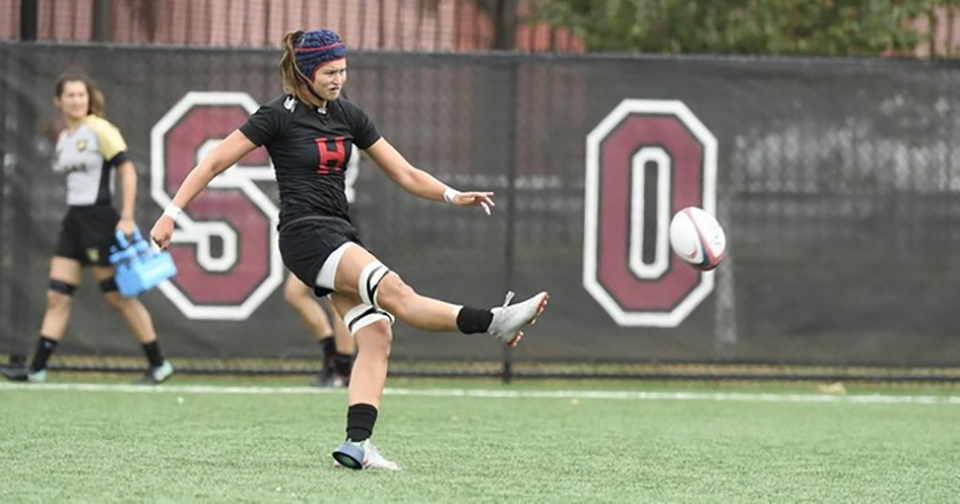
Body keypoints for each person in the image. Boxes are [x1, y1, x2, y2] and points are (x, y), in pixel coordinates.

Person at [150, 28, 548, 471]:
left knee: (377, 334)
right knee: (398, 293)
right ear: (304, 71)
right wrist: (171, 213)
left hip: (337, 233)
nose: (339, 78)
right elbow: (213, 161)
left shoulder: (348, 115)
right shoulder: (276, 116)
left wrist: (453, 195)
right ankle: (493, 321)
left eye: (343, 69)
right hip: (306, 235)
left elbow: (404, 172)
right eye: (329, 71)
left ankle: (357, 445)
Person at [1, 69, 174, 385]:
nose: (77, 100)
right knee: (58, 297)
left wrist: (126, 216)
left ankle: (159, 363)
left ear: (88, 98)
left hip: (100, 221)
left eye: (81, 94)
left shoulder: (100, 130)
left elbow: (128, 172)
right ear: (59, 101)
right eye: (70, 95)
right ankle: (36, 369)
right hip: (74, 223)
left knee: (117, 297)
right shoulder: (65, 136)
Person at [284, 271, 355, 387]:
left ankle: (343, 370)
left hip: (335, 253)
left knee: (338, 299)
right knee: (293, 293)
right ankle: (331, 355)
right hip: (309, 252)